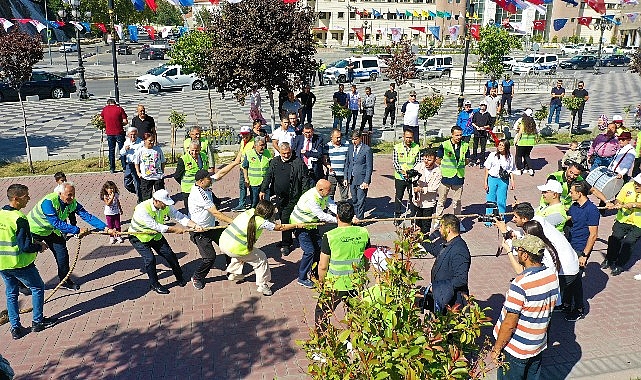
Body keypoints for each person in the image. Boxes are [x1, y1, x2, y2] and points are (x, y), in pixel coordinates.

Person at [491, 235, 559, 380]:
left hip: (516, 349)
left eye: (518, 250)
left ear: (525, 255)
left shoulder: (520, 284)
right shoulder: (552, 275)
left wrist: (497, 348)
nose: (516, 252)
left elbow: (509, 323)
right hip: (537, 343)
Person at [27, 182, 117, 290]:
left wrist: (106, 228)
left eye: (73, 194)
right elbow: (56, 223)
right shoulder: (48, 202)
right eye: (69, 194)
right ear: (60, 193)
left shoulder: (72, 202)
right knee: (28, 257)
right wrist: (77, 230)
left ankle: (65, 280)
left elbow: (87, 216)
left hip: (51, 232)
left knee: (62, 255)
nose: (72, 197)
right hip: (34, 230)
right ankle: (21, 282)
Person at [0, 184, 57, 340]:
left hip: (2, 264)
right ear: (16, 199)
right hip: (20, 263)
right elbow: (25, 246)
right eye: (26, 196)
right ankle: (37, 321)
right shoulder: (19, 218)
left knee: (11, 293)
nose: (29, 199)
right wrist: (39, 246)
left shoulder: (1, 215)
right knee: (38, 287)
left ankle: (15, 328)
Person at [128, 189, 204, 294]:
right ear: (156, 201)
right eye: (164, 203)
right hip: (139, 237)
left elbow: (179, 216)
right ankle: (154, 285)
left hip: (155, 236)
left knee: (170, 255)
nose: (166, 206)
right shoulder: (142, 209)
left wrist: (194, 225)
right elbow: (156, 226)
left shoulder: (165, 206)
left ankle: (179, 275)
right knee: (150, 259)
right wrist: (175, 229)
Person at [220, 200, 301, 296]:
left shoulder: (249, 211)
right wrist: (296, 225)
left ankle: (233, 273)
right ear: (267, 214)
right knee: (261, 258)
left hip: (224, 242)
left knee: (243, 255)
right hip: (236, 248)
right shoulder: (262, 222)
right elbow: (280, 227)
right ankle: (263, 285)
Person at [315, 201, 370, 330]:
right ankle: (357, 343)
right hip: (355, 282)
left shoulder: (330, 236)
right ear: (353, 216)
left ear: (337, 216)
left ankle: (323, 340)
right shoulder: (363, 232)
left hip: (335, 284)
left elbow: (323, 265)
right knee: (356, 314)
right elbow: (367, 258)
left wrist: (321, 282)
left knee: (321, 312)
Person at [187, 165, 239, 290]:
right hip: (200, 231)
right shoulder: (199, 194)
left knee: (228, 244)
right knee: (209, 258)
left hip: (211, 227)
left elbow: (220, 174)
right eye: (208, 179)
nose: (211, 180)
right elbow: (215, 213)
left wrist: (235, 162)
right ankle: (197, 277)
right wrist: (233, 222)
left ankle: (231, 269)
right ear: (201, 181)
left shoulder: (205, 184)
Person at [260, 142, 310, 256]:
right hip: (278, 197)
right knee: (283, 217)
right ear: (280, 152)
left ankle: (286, 244)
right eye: (284, 153)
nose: (286, 155)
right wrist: (263, 189)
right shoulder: (274, 162)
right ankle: (287, 238)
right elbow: (268, 176)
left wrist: (304, 196)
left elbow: (304, 180)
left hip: (293, 196)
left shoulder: (298, 162)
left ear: (291, 151)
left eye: (288, 153)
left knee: (285, 218)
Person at [291, 179, 338, 289]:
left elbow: (331, 205)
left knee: (320, 247)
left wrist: (341, 215)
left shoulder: (323, 194)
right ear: (320, 190)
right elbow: (322, 216)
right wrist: (338, 221)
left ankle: (315, 271)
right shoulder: (311, 198)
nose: (330, 191)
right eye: (328, 190)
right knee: (309, 251)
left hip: (311, 225)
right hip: (300, 225)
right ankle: (302, 278)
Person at [421, 214, 471, 313]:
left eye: (441, 226)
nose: (439, 229)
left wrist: (437, 288)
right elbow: (435, 250)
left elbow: (461, 280)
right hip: (443, 298)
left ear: (448, 229)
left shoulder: (460, 250)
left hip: (452, 302)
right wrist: (421, 240)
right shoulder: (450, 243)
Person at [565, 181, 600, 321]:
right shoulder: (574, 206)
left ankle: (579, 308)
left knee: (576, 279)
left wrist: (584, 255)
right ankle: (566, 303)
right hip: (570, 246)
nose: (570, 194)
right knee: (567, 275)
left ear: (579, 193)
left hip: (581, 248)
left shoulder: (592, 210)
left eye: (572, 192)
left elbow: (593, 235)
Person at [602, 174, 641, 276]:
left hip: (638, 224)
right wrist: (618, 203)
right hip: (623, 220)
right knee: (615, 239)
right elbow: (618, 198)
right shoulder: (628, 186)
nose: (636, 185)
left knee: (629, 243)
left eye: (639, 184)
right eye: (636, 183)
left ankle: (620, 265)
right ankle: (609, 259)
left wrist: (634, 204)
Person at [435, 126, 469, 231]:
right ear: (452, 134)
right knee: (441, 201)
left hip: (458, 177)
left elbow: (467, 159)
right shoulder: (444, 145)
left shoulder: (465, 145)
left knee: (457, 201)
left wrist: (463, 163)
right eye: (457, 135)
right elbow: (438, 160)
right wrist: (446, 166)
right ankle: (437, 221)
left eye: (460, 135)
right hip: (446, 177)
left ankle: (458, 222)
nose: (459, 137)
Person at [175, 140, 214, 212]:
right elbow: (177, 176)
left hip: (201, 188)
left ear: (200, 149)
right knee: (190, 211)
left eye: (197, 150)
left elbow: (205, 170)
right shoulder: (183, 159)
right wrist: (184, 184)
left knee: (203, 209)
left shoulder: (204, 156)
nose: (194, 153)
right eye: (192, 150)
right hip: (188, 190)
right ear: (189, 149)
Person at [411, 148, 442, 234]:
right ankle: (415, 243)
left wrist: (421, 189)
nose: (426, 162)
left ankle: (425, 242)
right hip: (417, 201)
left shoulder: (438, 171)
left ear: (435, 160)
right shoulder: (419, 166)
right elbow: (413, 177)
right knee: (416, 224)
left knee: (426, 225)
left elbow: (434, 188)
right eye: (424, 159)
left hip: (428, 202)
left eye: (429, 160)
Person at [344, 131, 373, 220]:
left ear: (360, 138)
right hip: (352, 179)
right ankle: (356, 216)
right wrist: (346, 177)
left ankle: (359, 219)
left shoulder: (366, 149)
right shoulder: (350, 148)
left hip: (361, 179)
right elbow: (347, 164)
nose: (354, 141)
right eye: (352, 139)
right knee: (354, 200)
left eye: (355, 139)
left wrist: (366, 181)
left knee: (361, 200)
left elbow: (369, 167)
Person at [393, 129, 421, 222]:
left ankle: (413, 217)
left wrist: (411, 173)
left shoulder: (416, 147)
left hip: (412, 178)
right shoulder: (397, 147)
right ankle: (397, 217)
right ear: (403, 137)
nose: (408, 139)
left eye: (410, 137)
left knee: (412, 197)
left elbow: (418, 162)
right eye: (407, 137)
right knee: (398, 197)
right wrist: (402, 172)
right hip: (400, 177)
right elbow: (395, 162)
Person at [484, 139, 516, 217]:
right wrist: (485, 181)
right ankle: (489, 218)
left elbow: (511, 170)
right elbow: (487, 168)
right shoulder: (492, 155)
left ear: (506, 147)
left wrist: (512, 181)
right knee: (491, 199)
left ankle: (501, 218)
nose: (500, 147)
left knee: (501, 200)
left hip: (504, 180)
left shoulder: (510, 157)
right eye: (499, 145)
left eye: (502, 145)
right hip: (492, 179)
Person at [242, 136, 272, 208]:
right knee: (255, 202)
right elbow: (245, 167)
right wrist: (246, 179)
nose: (263, 147)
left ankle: (266, 217)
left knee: (266, 202)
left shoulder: (267, 152)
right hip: (254, 183)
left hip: (265, 182)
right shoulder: (249, 153)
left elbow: (271, 166)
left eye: (264, 145)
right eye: (261, 145)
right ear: (255, 146)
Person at [134, 133, 166, 202]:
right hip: (146, 177)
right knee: (146, 197)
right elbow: (136, 163)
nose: (152, 142)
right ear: (144, 141)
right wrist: (138, 173)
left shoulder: (158, 149)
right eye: (150, 140)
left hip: (158, 176)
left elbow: (163, 161)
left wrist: (162, 171)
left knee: (160, 196)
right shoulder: (140, 151)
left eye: (153, 140)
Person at [101, 98, 128, 173]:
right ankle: (124, 167)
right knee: (122, 150)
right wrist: (120, 124)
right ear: (115, 103)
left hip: (109, 133)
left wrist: (106, 123)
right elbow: (125, 121)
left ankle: (112, 168)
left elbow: (100, 118)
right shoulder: (119, 109)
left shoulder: (105, 109)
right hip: (119, 132)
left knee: (111, 151)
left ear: (108, 103)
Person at [232, 126, 255, 211]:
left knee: (252, 186)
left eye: (246, 135)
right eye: (243, 135)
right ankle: (242, 204)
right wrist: (235, 162)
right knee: (242, 185)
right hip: (242, 167)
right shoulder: (242, 141)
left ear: (250, 134)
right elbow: (240, 152)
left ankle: (254, 204)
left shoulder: (254, 143)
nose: (244, 137)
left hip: (251, 168)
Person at [323, 129, 350, 201]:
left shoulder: (347, 144)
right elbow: (324, 159)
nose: (339, 139)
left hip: (344, 174)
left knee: (344, 194)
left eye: (340, 137)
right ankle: (330, 209)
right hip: (332, 174)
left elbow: (349, 158)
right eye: (337, 137)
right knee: (330, 193)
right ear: (331, 137)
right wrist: (328, 166)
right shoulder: (327, 146)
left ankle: (344, 209)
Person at [120, 126, 144, 202]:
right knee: (127, 183)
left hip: (137, 165)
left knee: (137, 182)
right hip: (129, 164)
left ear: (137, 134)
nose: (133, 136)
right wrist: (125, 149)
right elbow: (121, 153)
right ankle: (139, 192)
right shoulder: (127, 142)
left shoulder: (141, 143)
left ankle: (140, 199)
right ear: (128, 135)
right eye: (131, 135)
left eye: (134, 134)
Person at [514, 112, 538, 176]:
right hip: (531, 143)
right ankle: (530, 169)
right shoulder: (533, 123)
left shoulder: (523, 122)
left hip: (522, 142)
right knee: (527, 156)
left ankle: (519, 170)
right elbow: (536, 132)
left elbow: (520, 132)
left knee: (519, 156)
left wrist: (516, 140)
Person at [470, 101, 491, 167]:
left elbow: (490, 124)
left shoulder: (488, 115)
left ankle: (482, 161)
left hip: (484, 133)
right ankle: (474, 160)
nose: (482, 106)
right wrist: (477, 127)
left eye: (484, 105)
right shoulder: (476, 114)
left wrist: (484, 127)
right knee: (475, 146)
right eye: (481, 105)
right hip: (477, 132)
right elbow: (473, 122)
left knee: (483, 147)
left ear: (486, 106)